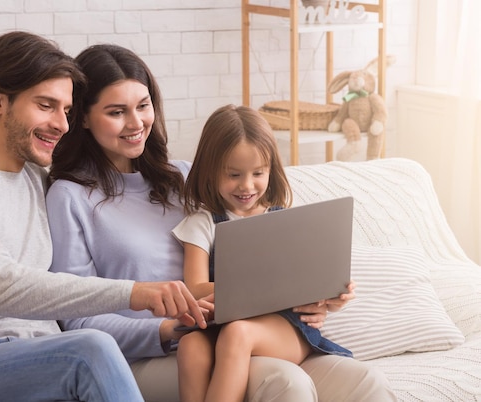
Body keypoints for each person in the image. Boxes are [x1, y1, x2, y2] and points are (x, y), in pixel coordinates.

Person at [47, 44, 396, 401]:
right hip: (153, 354)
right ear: (83, 117)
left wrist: (314, 298)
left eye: (143, 105)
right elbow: (78, 321)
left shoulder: (184, 178)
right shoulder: (69, 197)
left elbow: (258, 253)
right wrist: (168, 328)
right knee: (284, 382)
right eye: (117, 112)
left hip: (232, 333)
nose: (136, 123)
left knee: (366, 381)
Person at [0, 31, 208, 402]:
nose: (63, 124)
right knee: (91, 350)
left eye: (67, 110)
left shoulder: (38, 180)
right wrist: (136, 294)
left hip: (41, 357)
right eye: (45, 106)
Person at [172, 104, 354, 402]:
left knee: (238, 334)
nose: (246, 185)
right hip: (219, 326)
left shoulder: (283, 220)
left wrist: (333, 297)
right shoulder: (202, 224)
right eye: (233, 174)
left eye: (258, 173)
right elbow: (194, 289)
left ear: (271, 170)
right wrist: (260, 292)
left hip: (284, 328)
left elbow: (310, 283)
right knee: (190, 346)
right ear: (210, 171)